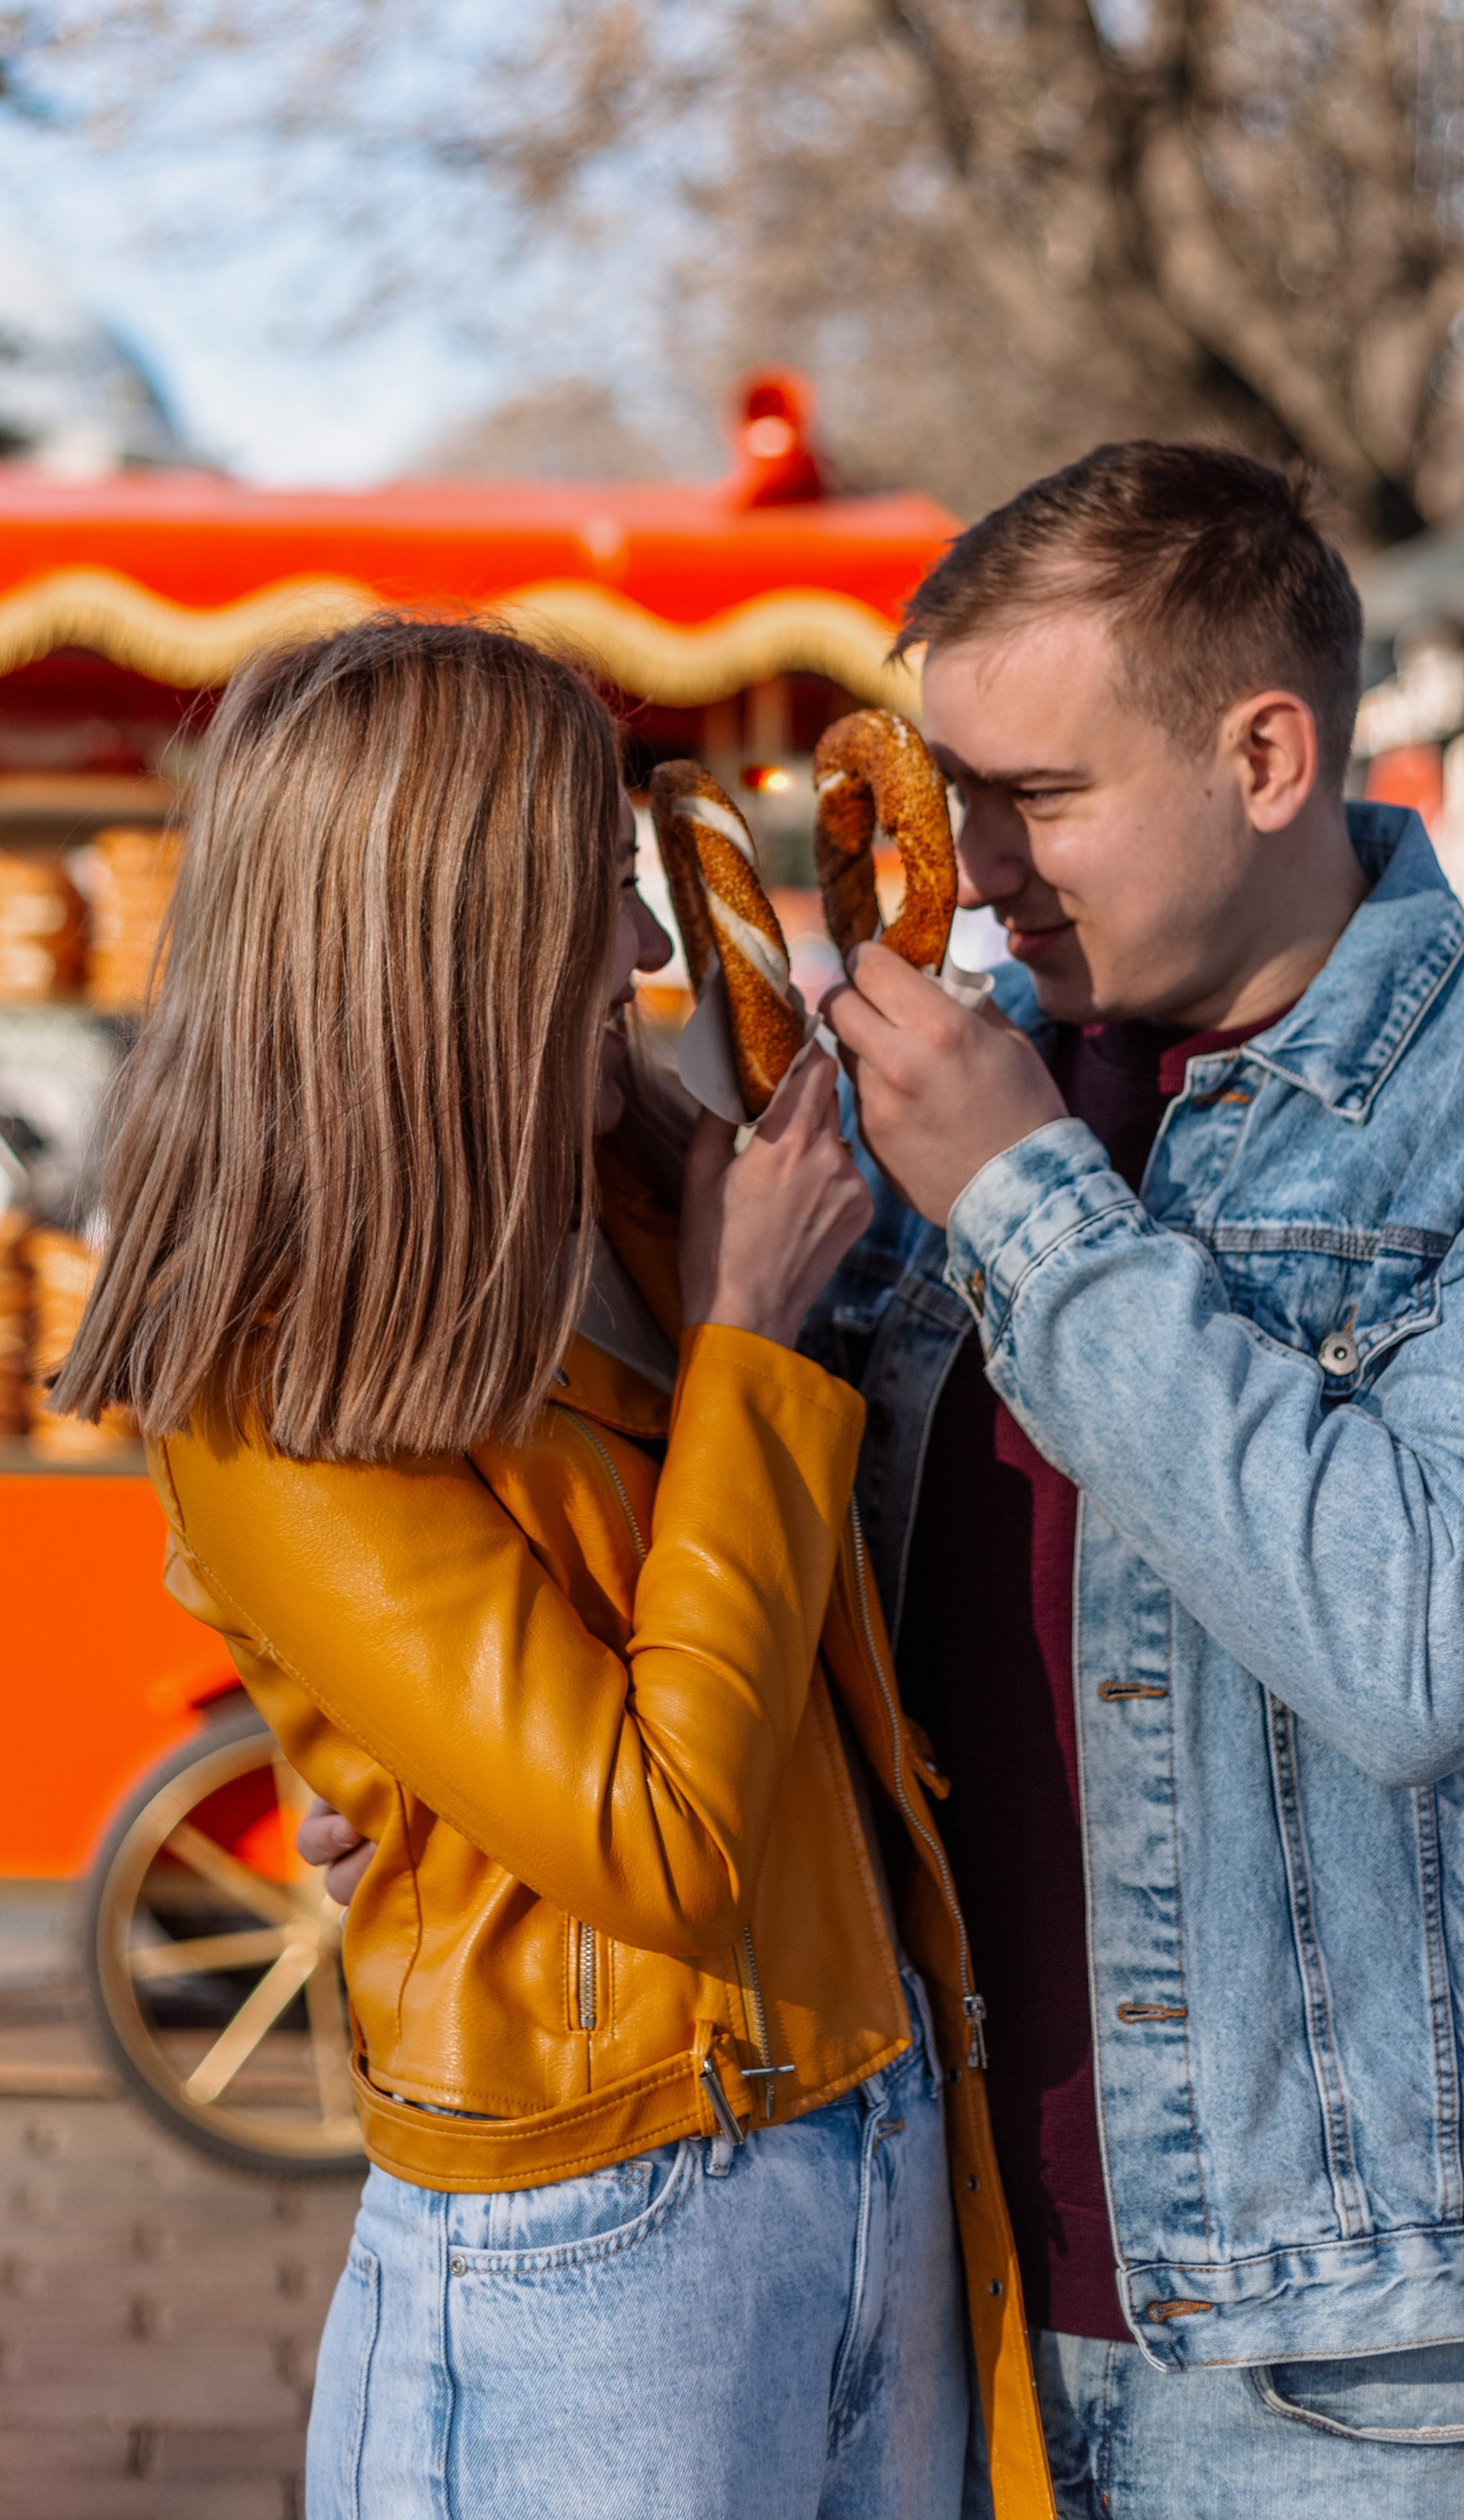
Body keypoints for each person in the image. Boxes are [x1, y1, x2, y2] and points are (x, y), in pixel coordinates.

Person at [52, 618, 1055, 2520]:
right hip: (601, 2230)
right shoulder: (268, 1382)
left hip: (870, 2124)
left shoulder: (633, 1195)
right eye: (603, 901)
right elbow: (660, 1845)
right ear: (460, 939)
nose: (653, 956)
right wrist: (750, 1343)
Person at [810, 441, 1464, 2519]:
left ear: (1266, 755)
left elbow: (1417, 1639)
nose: (977, 866)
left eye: (1037, 796)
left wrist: (1027, 1205)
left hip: (1343, 2346)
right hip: (913, 2273)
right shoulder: (907, 1111)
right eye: (952, 797)